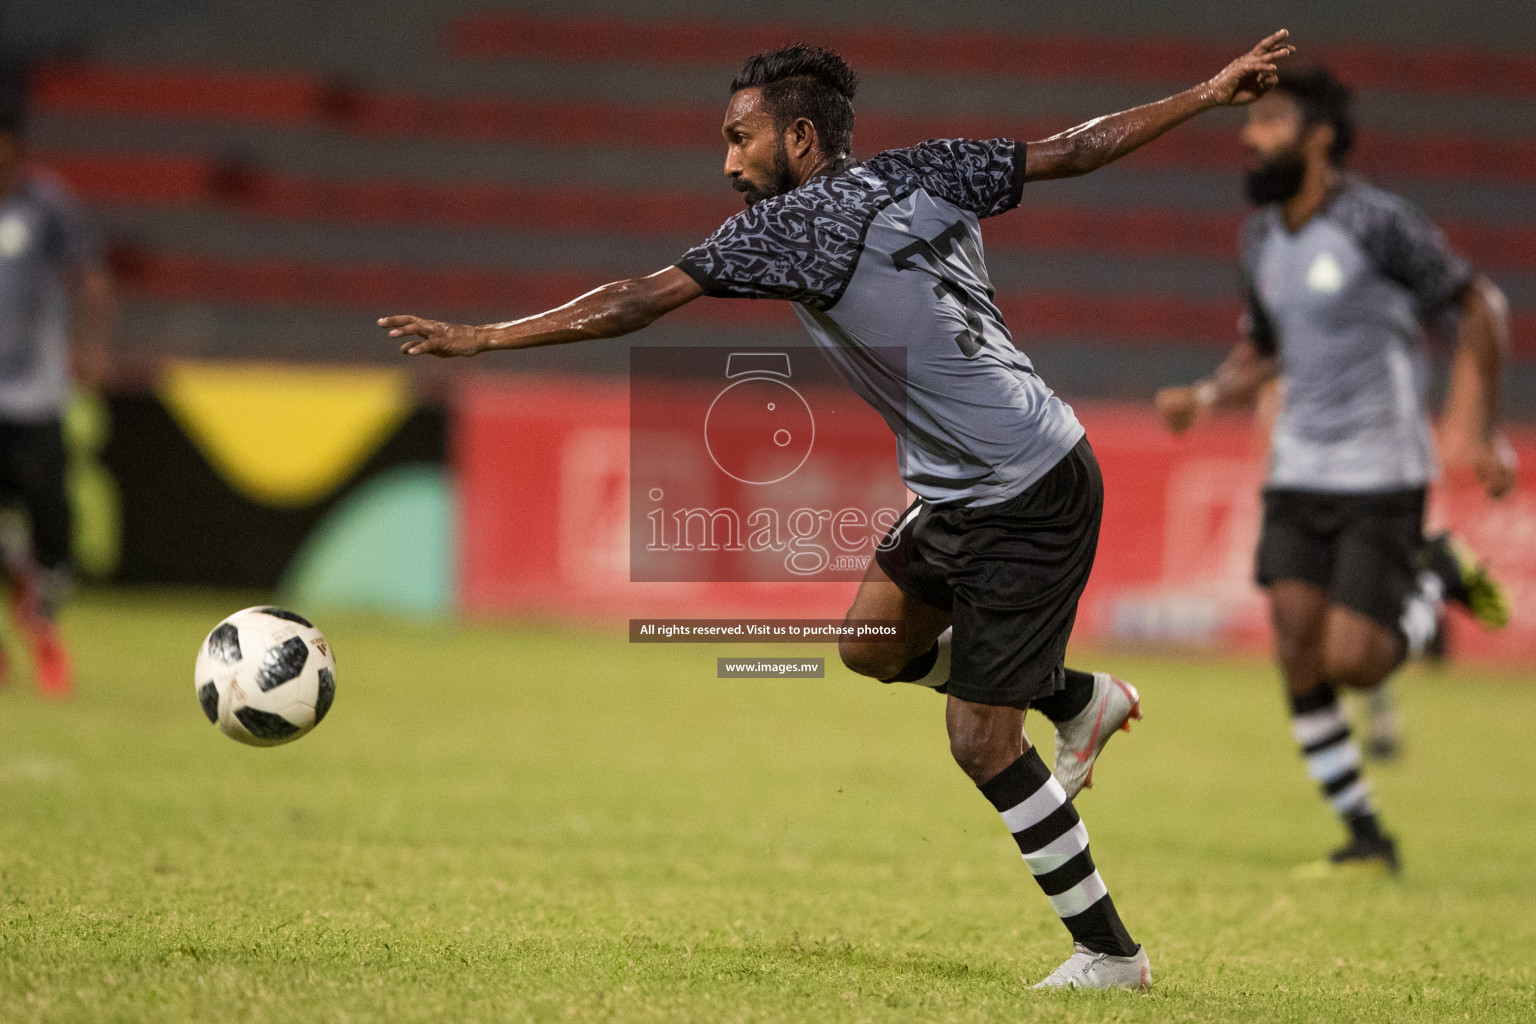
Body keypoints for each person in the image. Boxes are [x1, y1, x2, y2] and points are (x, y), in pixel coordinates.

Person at [379, 33, 1295, 989]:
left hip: (1027, 490)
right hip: (966, 482)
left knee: (981, 742)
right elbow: (1076, 147)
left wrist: (485, 337)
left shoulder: (794, 224)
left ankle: (1112, 955)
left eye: (742, 138)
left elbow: (633, 300)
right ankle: (1076, 697)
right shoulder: (928, 167)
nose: (729, 161)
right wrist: (1205, 93)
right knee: (869, 645)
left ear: (802, 138)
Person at [1154, 67, 1513, 873]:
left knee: (1353, 661)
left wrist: (1481, 431)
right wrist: (1210, 393)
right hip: (1297, 472)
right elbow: (1264, 350)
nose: (1249, 136)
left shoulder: (1377, 223)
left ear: (1319, 137)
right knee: (1294, 649)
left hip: (1382, 472)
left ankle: (1433, 582)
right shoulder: (1260, 239)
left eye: (1269, 121)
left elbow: (1480, 303)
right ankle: (1364, 832)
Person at [0, 92, 113, 698]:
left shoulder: (45, 206)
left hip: (35, 398)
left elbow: (89, 276)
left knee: (52, 527)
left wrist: (92, 345)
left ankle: (41, 621)